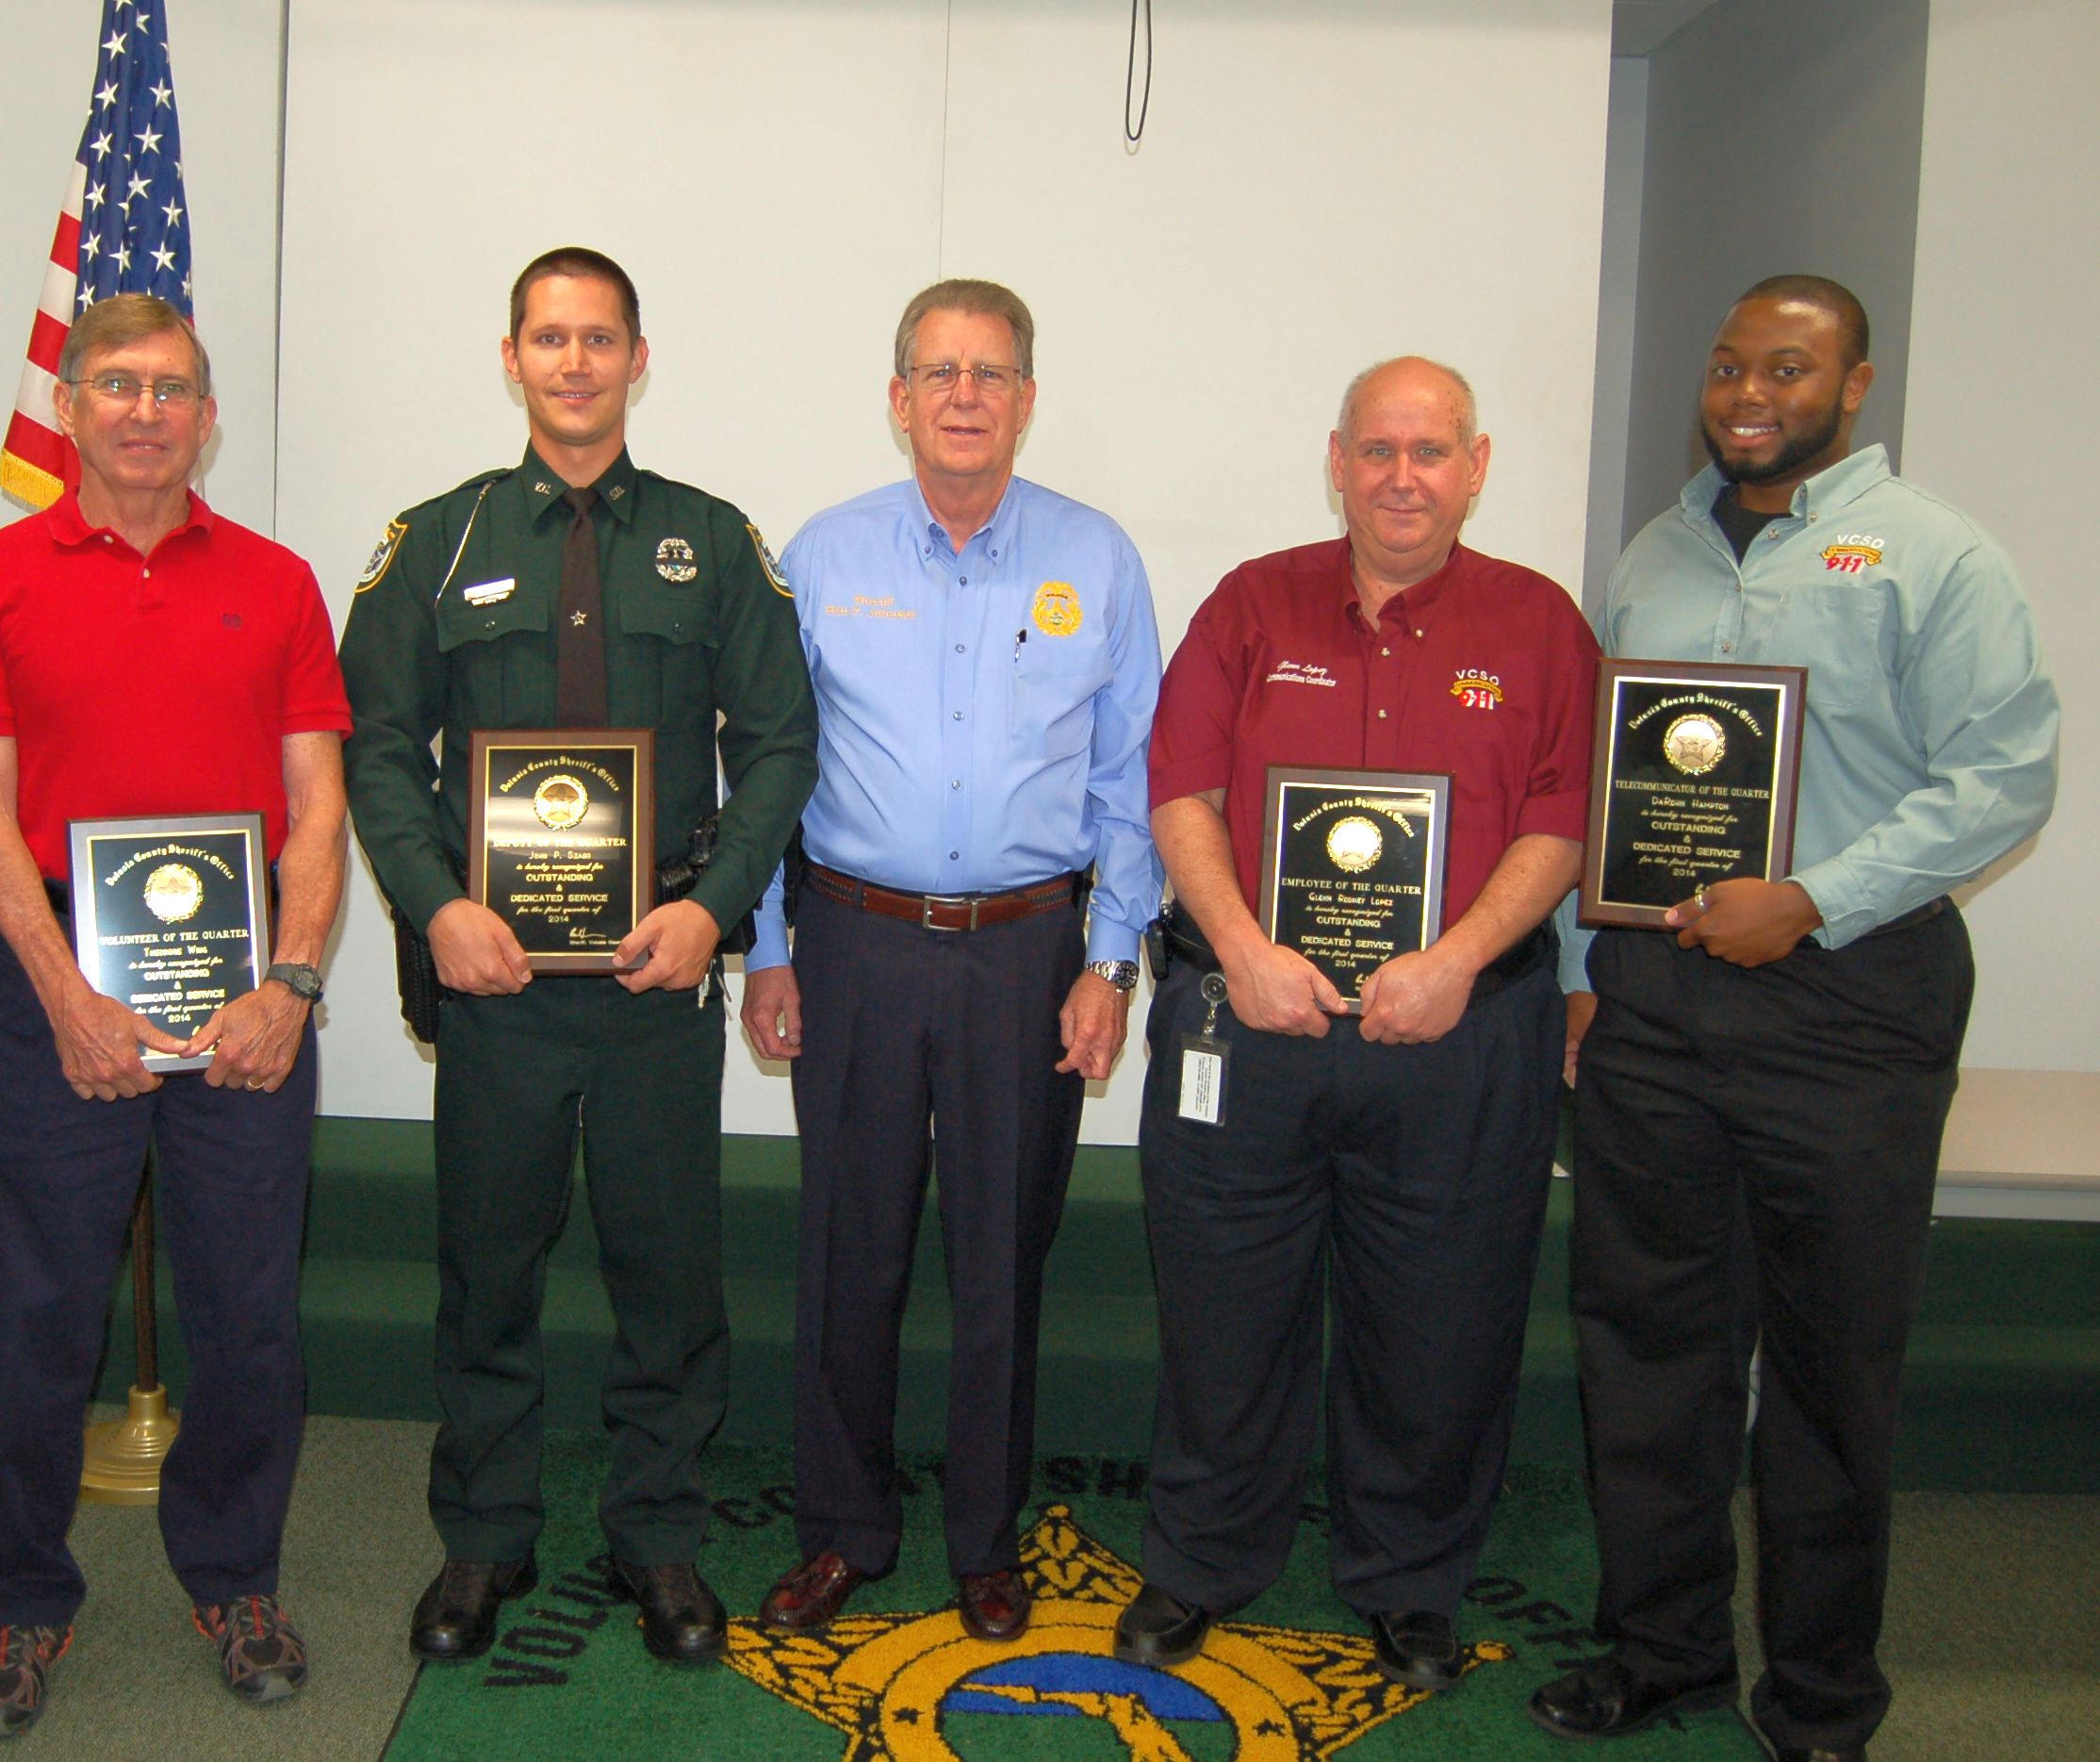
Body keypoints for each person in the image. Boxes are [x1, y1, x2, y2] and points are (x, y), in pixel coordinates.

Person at [1530, 278, 2058, 1762]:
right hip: (1656, 1006)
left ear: (1854, 382)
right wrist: (1585, 963)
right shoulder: (1653, 554)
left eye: (1789, 364)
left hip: (1852, 1003)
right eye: (1730, 361)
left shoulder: (1937, 558)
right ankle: (1666, 1647)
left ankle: (1823, 1696)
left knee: (1829, 1368)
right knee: (1648, 1343)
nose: (1750, 387)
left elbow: (2005, 777)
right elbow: (1612, 790)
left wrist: (1816, 894)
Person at [338, 248, 815, 1665]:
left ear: (637, 358)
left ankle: (658, 1531)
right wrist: (435, 905)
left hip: (656, 979)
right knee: (488, 1270)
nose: (574, 363)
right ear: (512, 359)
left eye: (598, 339)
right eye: (549, 339)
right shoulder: (438, 539)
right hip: (497, 992)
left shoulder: (713, 541)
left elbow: (781, 744)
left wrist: (714, 902)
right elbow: (374, 743)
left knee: (671, 1273)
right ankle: (483, 1537)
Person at [1126, 358, 1598, 1688]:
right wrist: (1239, 946)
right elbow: (1182, 788)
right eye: (1378, 449)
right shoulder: (1249, 605)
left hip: (1463, 1034)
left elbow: (1562, 818)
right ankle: (1206, 1557)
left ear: (1479, 463)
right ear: (1335, 459)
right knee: (1225, 1313)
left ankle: (1412, 1578)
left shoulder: (1539, 624)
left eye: (1431, 450)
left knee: (1443, 1318)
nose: (1404, 475)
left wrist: (1456, 958)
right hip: (1255, 1023)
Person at [0, 293, 352, 1736]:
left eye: (173, 387)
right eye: (115, 384)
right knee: (37, 1313)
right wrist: (62, 997)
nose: (144, 411)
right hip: (66, 994)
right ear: (66, 405)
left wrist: (292, 982)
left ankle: (236, 1576)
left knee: (246, 1314)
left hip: (243, 998)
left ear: (207, 415)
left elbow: (316, 806)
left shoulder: (280, 580)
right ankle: (16, 1602)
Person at [742, 279, 1162, 1645]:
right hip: (854, 942)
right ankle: (845, 1529)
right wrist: (763, 945)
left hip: (1030, 953)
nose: (965, 394)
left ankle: (985, 1537)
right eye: (939, 370)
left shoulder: (1097, 559)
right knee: (847, 1253)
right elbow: (764, 765)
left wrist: (1110, 962)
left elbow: (1133, 778)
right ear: (898, 397)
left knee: (1002, 1260)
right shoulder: (823, 554)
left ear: (1029, 400)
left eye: (992, 372)